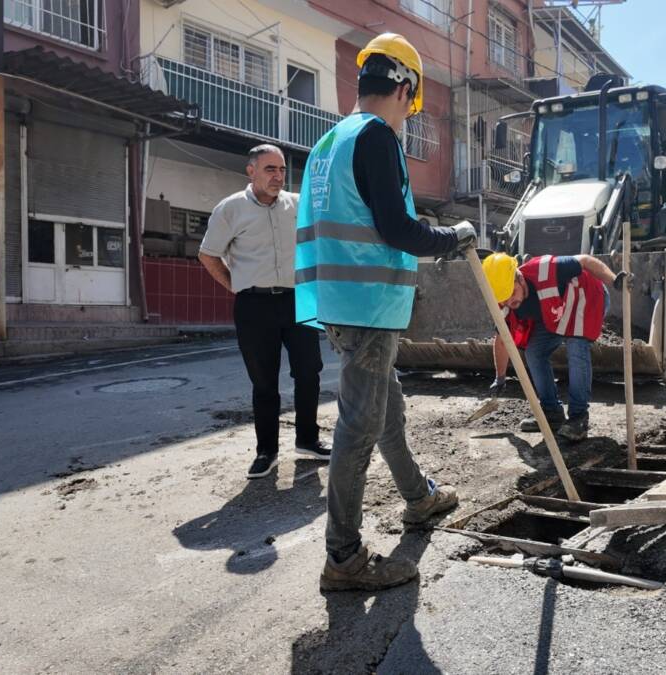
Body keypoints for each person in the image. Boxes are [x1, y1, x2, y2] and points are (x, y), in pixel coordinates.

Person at [294, 33, 477, 592]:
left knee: (385, 409)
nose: (407, 117)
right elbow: (395, 228)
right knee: (360, 426)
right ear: (404, 87)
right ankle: (343, 558)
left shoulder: (331, 140)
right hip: (368, 305)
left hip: (342, 301)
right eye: (410, 104)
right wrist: (454, 236)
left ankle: (419, 498)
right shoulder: (376, 137)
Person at [199, 144, 329, 480]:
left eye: (282, 169)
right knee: (264, 381)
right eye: (270, 169)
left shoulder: (299, 206)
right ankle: (266, 451)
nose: (278, 176)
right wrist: (236, 285)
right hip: (254, 306)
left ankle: (308, 439)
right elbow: (208, 254)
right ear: (251, 171)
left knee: (309, 371)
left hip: (298, 300)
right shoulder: (230, 209)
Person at [482, 252, 628, 441]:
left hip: (585, 297)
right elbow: (502, 339)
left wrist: (614, 280)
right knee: (535, 352)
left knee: (576, 346)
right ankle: (552, 413)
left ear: (519, 277)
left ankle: (578, 418)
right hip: (555, 311)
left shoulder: (548, 269)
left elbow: (585, 260)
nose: (511, 302)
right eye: (504, 299)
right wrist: (500, 378)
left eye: (511, 294)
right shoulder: (505, 303)